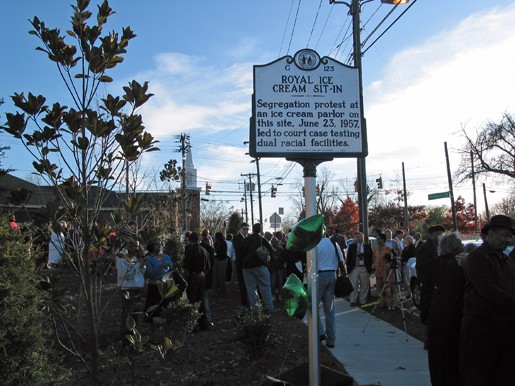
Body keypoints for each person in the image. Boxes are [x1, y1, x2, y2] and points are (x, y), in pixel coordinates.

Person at [460, 215, 515, 386]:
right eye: (504, 235)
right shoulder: (478, 257)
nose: (507, 240)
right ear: (490, 234)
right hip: (481, 329)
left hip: (504, 329)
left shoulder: (506, 259)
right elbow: (487, 289)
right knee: (480, 376)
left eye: (509, 236)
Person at [316, 235, 345, 348]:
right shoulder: (333, 243)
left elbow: (311, 261)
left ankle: (320, 332)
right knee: (330, 310)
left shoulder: (316, 244)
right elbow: (341, 259)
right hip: (332, 274)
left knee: (313, 307)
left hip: (320, 274)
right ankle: (331, 339)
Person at [239, 223, 275, 312]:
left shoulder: (246, 240)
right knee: (265, 287)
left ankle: (255, 308)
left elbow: (240, 253)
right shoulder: (262, 239)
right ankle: (269, 307)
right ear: (260, 230)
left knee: (251, 288)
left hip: (247, 267)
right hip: (260, 266)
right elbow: (272, 251)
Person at [116, 240, 146, 337]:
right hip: (127, 289)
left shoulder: (137, 256)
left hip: (138, 288)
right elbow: (125, 274)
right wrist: (138, 265)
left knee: (135, 314)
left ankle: (134, 336)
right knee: (127, 314)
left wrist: (142, 264)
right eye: (131, 246)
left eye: (136, 246)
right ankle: (124, 337)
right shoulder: (121, 256)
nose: (134, 248)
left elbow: (141, 272)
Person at [183, 232, 211, 330]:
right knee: (202, 300)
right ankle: (204, 324)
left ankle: (193, 325)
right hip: (202, 276)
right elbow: (208, 267)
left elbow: (186, 267)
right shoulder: (204, 250)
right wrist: (203, 274)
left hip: (193, 276)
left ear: (190, 240)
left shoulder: (190, 251)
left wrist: (184, 279)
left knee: (192, 300)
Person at [143, 240, 173, 322]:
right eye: (157, 244)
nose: (160, 246)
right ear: (151, 246)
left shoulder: (166, 257)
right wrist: (161, 266)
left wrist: (168, 267)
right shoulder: (148, 258)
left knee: (165, 311)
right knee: (154, 312)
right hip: (154, 287)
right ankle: (154, 331)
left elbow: (172, 270)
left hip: (166, 286)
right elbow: (151, 274)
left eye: (160, 244)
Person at [346, 232, 373, 307]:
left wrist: (370, 268)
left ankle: (362, 300)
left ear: (363, 238)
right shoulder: (352, 246)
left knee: (364, 285)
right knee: (353, 285)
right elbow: (348, 258)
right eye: (358, 237)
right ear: (356, 238)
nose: (359, 238)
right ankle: (353, 300)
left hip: (364, 267)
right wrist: (348, 268)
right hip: (354, 268)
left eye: (361, 237)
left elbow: (371, 258)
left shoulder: (367, 247)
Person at [373, 233, 396, 310]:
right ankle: (381, 303)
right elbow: (374, 258)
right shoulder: (376, 248)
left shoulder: (388, 249)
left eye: (378, 239)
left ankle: (389, 303)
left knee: (387, 288)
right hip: (378, 271)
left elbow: (390, 260)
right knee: (379, 288)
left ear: (383, 239)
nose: (377, 240)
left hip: (385, 272)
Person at [232, 222, 250, 307]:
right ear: (240, 229)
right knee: (242, 284)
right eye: (244, 229)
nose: (246, 230)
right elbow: (239, 251)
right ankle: (244, 303)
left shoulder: (247, 238)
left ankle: (248, 301)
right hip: (240, 264)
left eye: (247, 229)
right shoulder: (236, 238)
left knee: (248, 284)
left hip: (247, 264)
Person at [213, 231, 228, 295]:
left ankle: (222, 291)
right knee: (215, 276)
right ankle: (215, 291)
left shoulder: (223, 243)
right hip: (217, 259)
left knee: (221, 276)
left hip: (222, 260)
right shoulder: (216, 243)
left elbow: (222, 252)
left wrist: (216, 250)